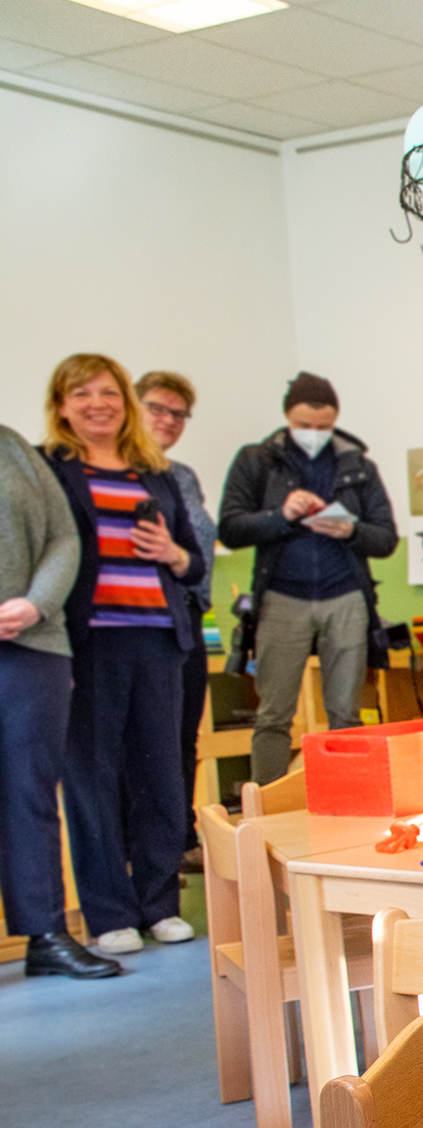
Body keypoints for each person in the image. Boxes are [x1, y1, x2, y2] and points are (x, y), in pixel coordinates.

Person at [39, 354, 209, 957]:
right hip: (87, 643)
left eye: (108, 392)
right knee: (93, 780)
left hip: (159, 640)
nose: (98, 403)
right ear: (61, 405)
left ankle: (159, 903)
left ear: (125, 402)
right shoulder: (52, 472)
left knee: (162, 777)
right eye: (81, 393)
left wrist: (171, 551)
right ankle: (109, 913)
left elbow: (195, 561)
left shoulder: (153, 472)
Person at [216, 373, 400, 785]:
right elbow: (230, 528)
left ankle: (346, 798)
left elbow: (386, 537)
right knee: (273, 713)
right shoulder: (256, 460)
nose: (313, 434)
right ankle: (263, 808)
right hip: (281, 597)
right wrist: (280, 516)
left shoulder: (358, 465)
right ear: (287, 417)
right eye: (304, 426)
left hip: (346, 596)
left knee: (346, 714)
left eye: (323, 427)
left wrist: (348, 528)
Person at [0, 423, 118, 979]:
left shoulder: (14, 448)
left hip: (32, 643)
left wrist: (37, 604)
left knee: (31, 790)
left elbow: (64, 537)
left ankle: (46, 934)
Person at [135, 371, 214, 849]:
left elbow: (197, 551)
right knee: (143, 745)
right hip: (140, 623)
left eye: (178, 413)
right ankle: (139, 845)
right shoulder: (115, 473)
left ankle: (178, 839)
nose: (168, 420)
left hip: (189, 618)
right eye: (157, 408)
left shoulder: (181, 476)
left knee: (183, 739)